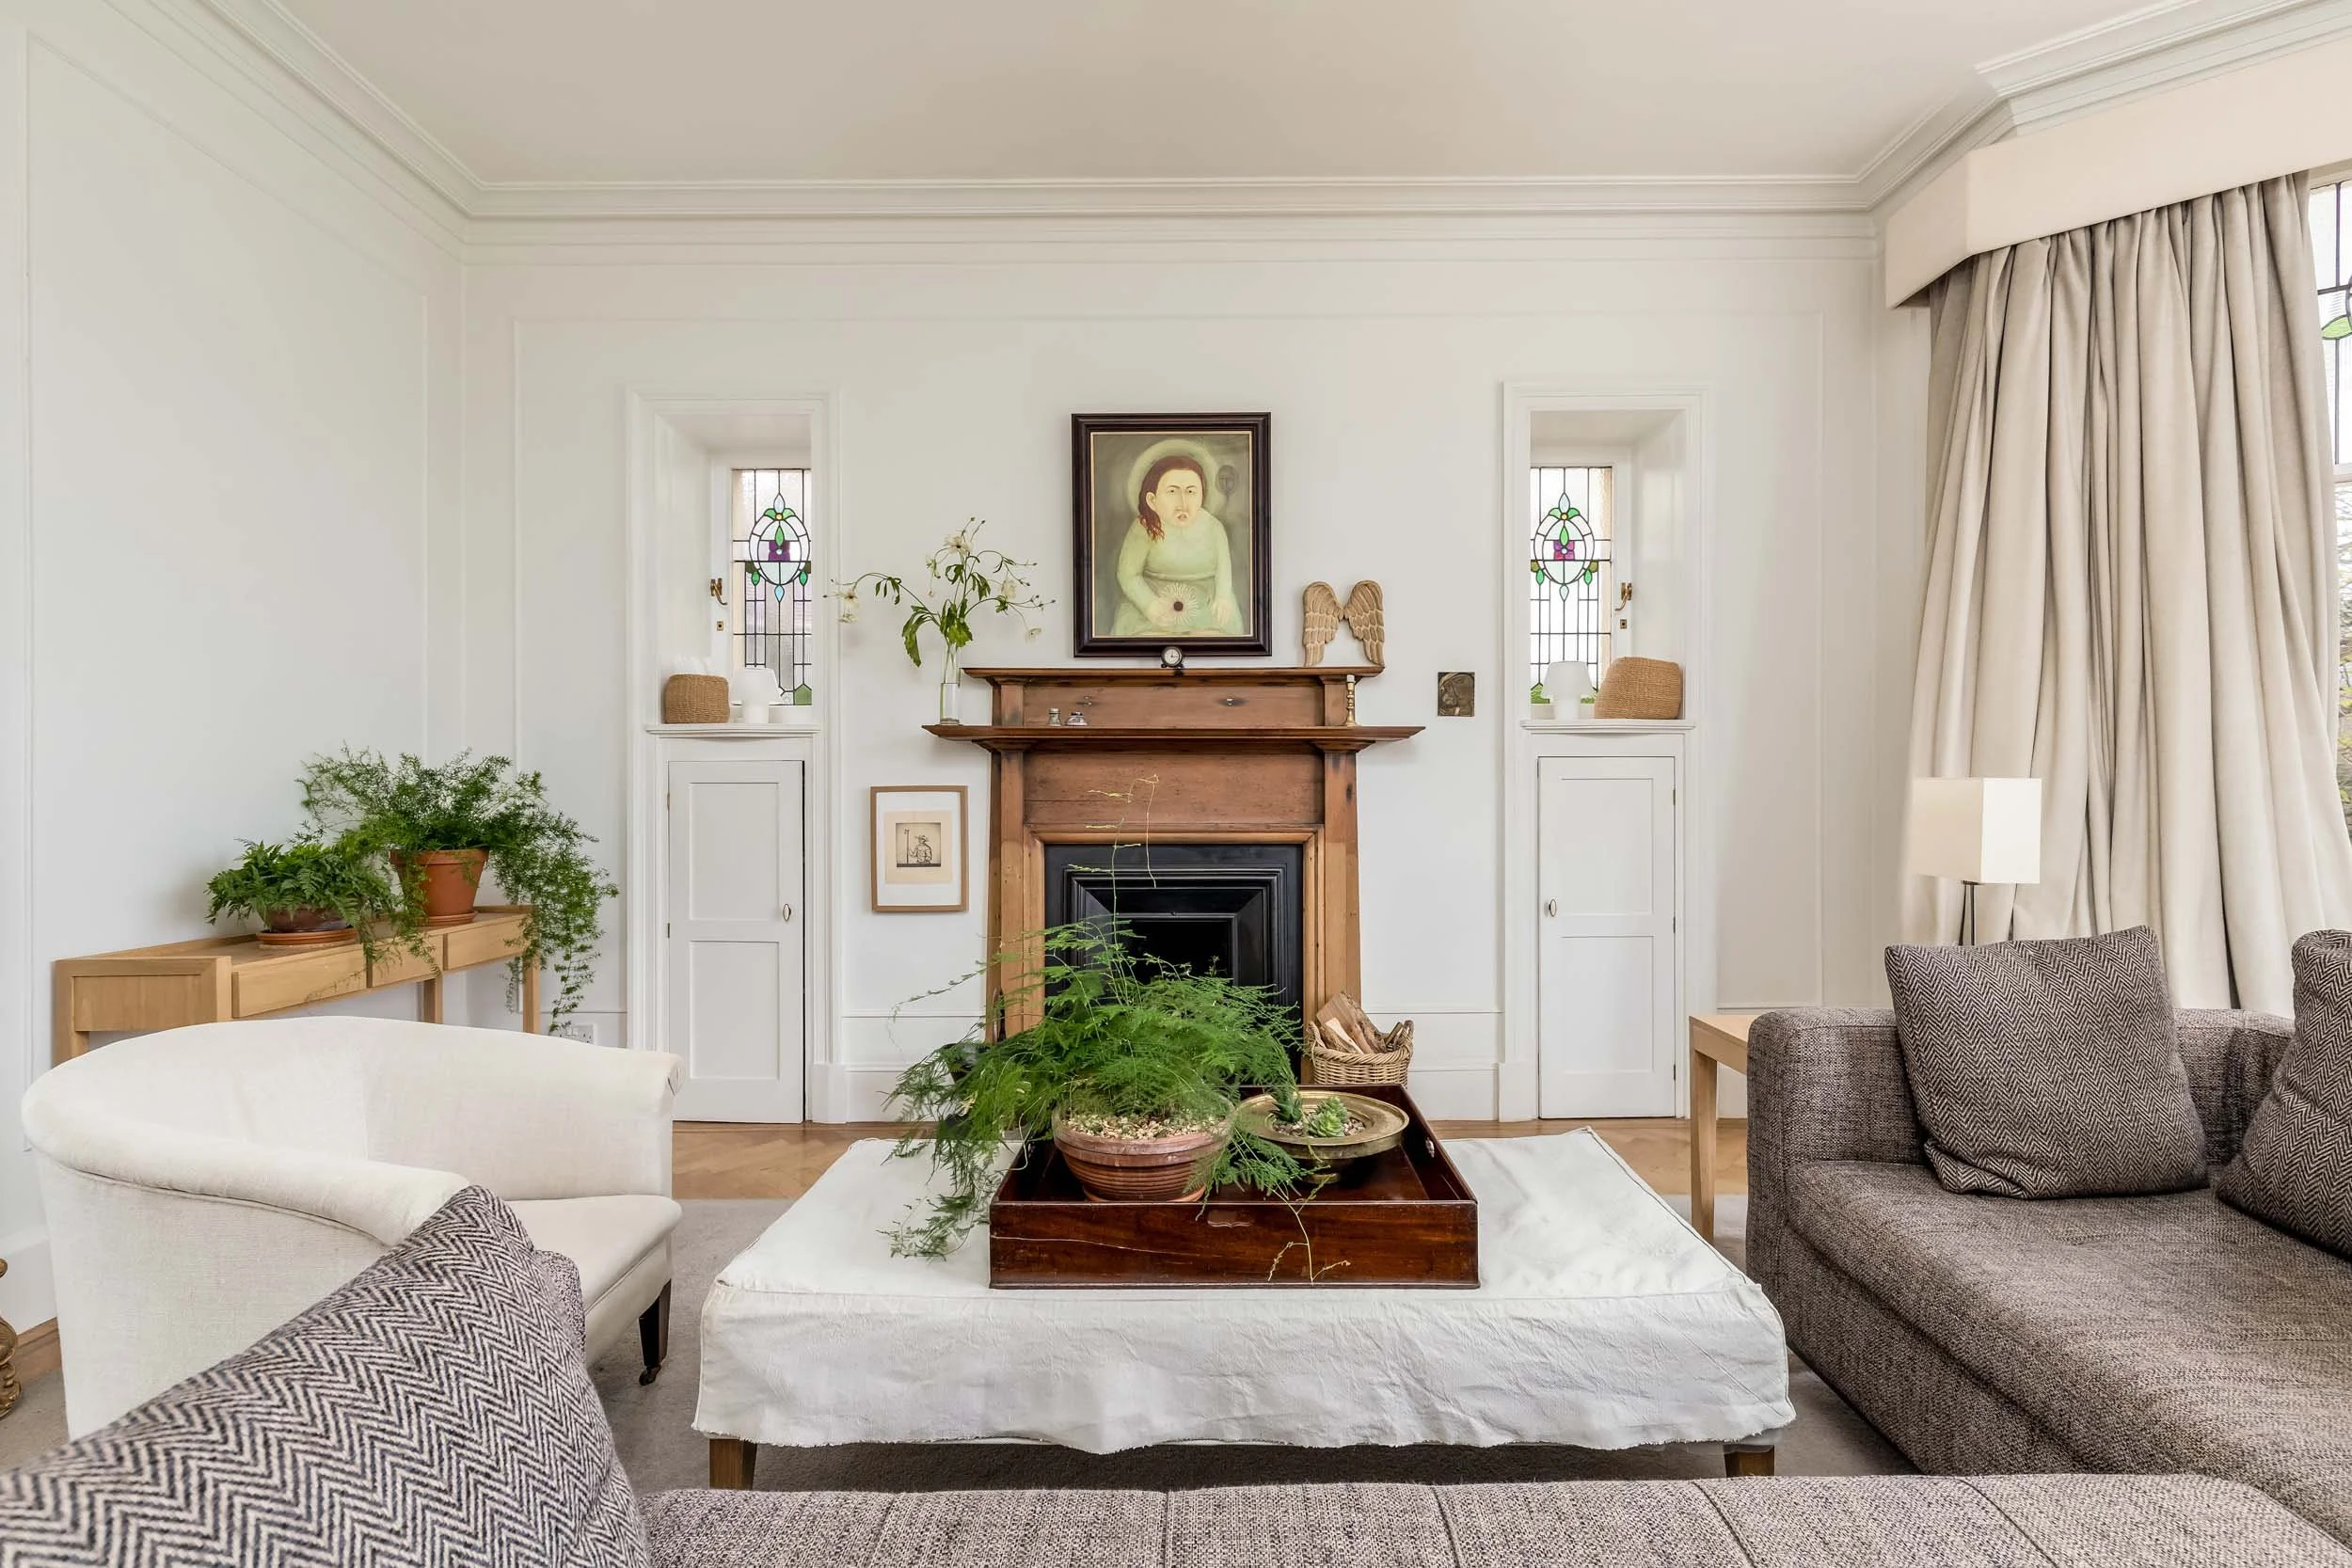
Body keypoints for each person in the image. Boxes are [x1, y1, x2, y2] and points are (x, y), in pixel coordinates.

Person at [1111, 451, 1241, 636]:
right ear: (1152, 500)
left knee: (1212, 643)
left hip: (1206, 603)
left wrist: (1222, 598)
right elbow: (1128, 574)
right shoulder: (1144, 527)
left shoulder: (1213, 527)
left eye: (1190, 492)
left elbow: (1224, 569)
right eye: (1172, 492)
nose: (1183, 503)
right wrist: (1149, 605)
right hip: (1153, 600)